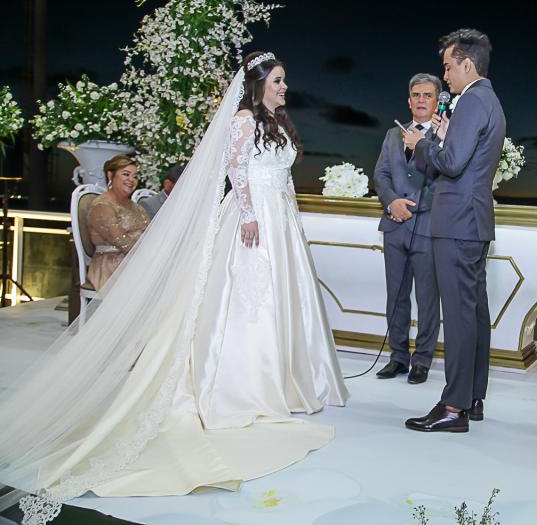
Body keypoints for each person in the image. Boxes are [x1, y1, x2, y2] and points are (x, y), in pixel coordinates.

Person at [0, 51, 348, 522]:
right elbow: (236, 170)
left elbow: (283, 179)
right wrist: (249, 215)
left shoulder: (277, 123)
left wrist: (292, 220)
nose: (285, 87)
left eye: (285, 80)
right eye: (278, 81)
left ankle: (286, 382)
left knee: (283, 302)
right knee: (247, 303)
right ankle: (243, 386)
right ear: (259, 83)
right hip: (252, 220)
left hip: (280, 221)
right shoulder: (244, 119)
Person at [401, 28, 506, 433]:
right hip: (472, 221)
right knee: (473, 313)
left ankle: (453, 407)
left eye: (448, 67)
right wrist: (445, 140)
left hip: (457, 221)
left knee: (460, 316)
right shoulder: (488, 100)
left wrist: (421, 144)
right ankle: (473, 397)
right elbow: (465, 156)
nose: (445, 75)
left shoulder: (474, 100)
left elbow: (453, 162)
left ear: (467, 64)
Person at [373, 73, 442, 385]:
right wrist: (392, 202)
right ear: (409, 101)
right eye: (416, 95)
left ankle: (422, 360)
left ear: (437, 101)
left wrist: (410, 206)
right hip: (394, 225)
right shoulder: (392, 134)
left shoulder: (445, 136)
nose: (421, 100)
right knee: (396, 296)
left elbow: (445, 179)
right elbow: (381, 174)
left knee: (427, 298)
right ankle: (398, 357)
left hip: (427, 226)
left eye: (427, 95)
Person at [86, 155, 150, 290]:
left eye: (135, 176)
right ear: (110, 176)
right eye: (126, 174)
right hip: (111, 265)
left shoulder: (136, 206)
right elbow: (123, 243)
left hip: (135, 261)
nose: (131, 180)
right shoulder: (102, 206)